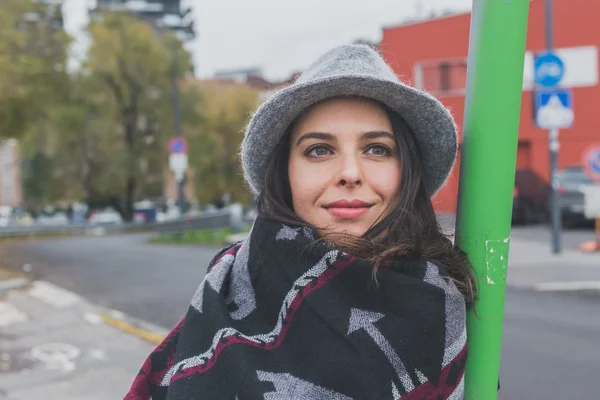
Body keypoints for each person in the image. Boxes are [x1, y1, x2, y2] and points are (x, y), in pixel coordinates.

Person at [124, 44, 476, 400]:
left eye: (377, 149)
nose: (350, 174)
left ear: (407, 171)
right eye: (319, 150)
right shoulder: (224, 300)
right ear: (285, 173)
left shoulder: (443, 297)